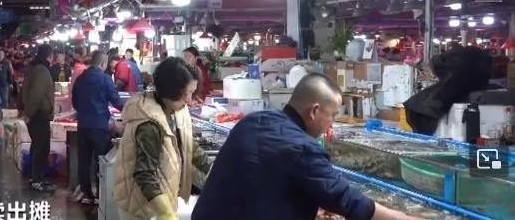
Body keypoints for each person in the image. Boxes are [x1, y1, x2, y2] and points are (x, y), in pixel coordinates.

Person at [192, 73, 420, 220]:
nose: (332, 123)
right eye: (332, 115)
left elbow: (262, 179)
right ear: (314, 111)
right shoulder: (303, 148)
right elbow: (347, 200)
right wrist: (404, 218)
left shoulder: (253, 121)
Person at [113, 57, 212, 220]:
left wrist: (214, 170)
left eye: (192, 93)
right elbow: (144, 175)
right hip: (140, 206)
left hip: (160, 198)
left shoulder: (174, 109)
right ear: (170, 91)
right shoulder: (149, 124)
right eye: (185, 94)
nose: (189, 100)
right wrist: (166, 213)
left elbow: (188, 144)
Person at [72, 50, 124, 205]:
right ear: (103, 63)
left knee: (83, 161)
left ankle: (87, 194)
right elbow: (117, 101)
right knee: (101, 161)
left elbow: (75, 102)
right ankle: (101, 195)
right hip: (100, 127)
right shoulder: (105, 79)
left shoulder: (80, 79)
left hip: (83, 126)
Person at [21, 44, 56, 192]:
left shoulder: (33, 68)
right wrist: (28, 114)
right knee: (42, 147)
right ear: (49, 56)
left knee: (36, 146)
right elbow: (37, 94)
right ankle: (37, 181)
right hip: (39, 113)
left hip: (36, 113)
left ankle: (35, 177)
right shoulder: (42, 70)